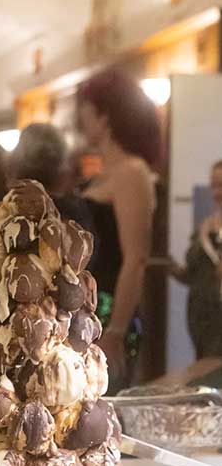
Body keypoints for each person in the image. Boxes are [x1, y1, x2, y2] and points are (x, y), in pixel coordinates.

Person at [77, 67, 161, 390]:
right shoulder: (103, 174)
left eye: (86, 108)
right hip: (88, 311)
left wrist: (116, 331)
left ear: (105, 116)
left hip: (111, 313)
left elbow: (136, 258)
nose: (82, 117)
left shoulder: (132, 171)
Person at [168, 160, 222, 358]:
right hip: (200, 318)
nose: (217, 192)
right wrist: (171, 267)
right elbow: (194, 275)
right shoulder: (205, 227)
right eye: (214, 185)